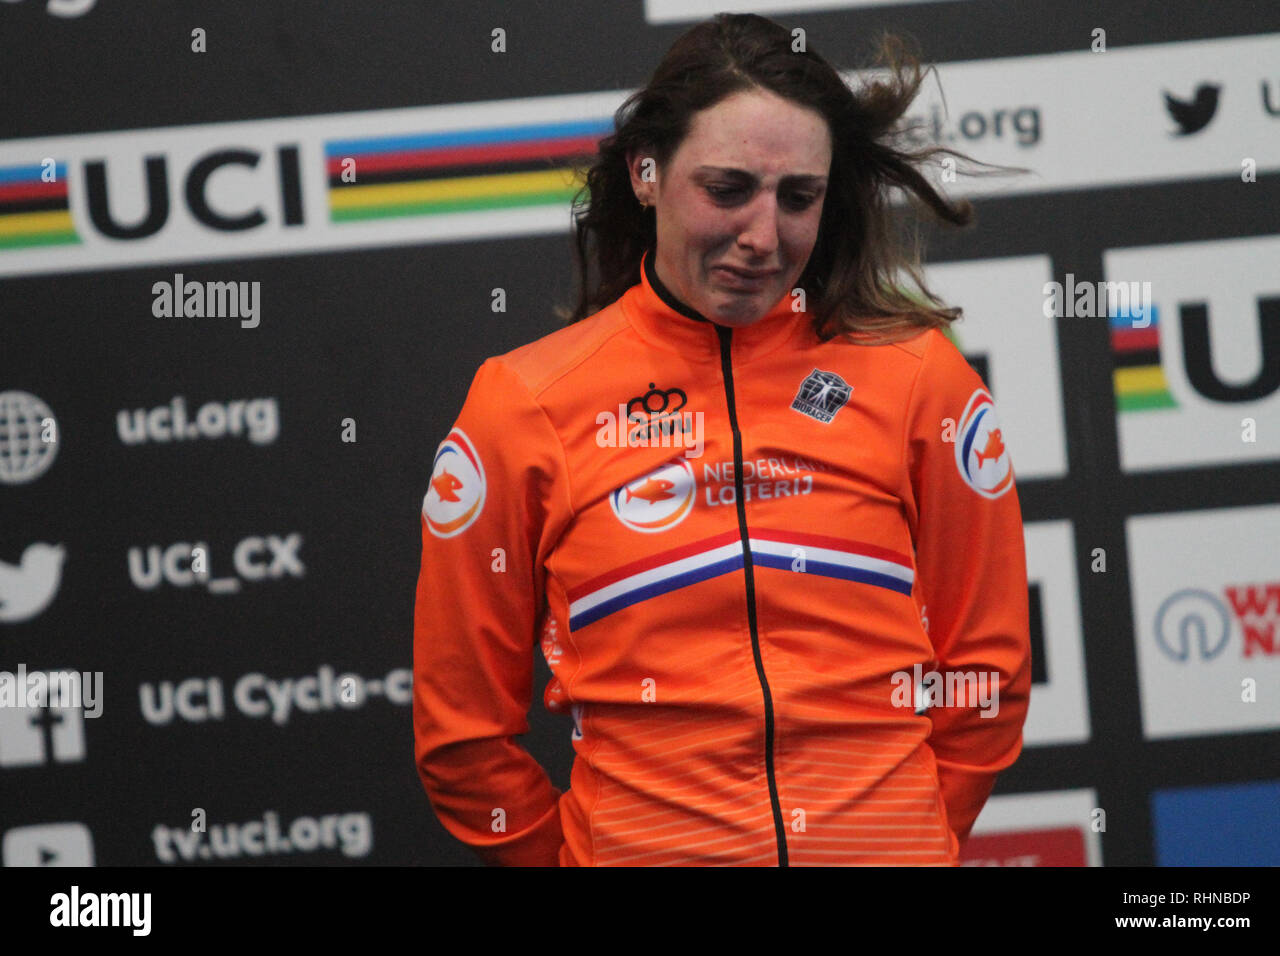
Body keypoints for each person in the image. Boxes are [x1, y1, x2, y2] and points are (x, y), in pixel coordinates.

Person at [412, 13, 1032, 866]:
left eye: (798, 198)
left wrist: (900, 842)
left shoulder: (919, 377)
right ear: (645, 173)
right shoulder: (524, 404)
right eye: (728, 188)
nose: (763, 237)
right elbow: (462, 735)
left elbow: (984, 678)